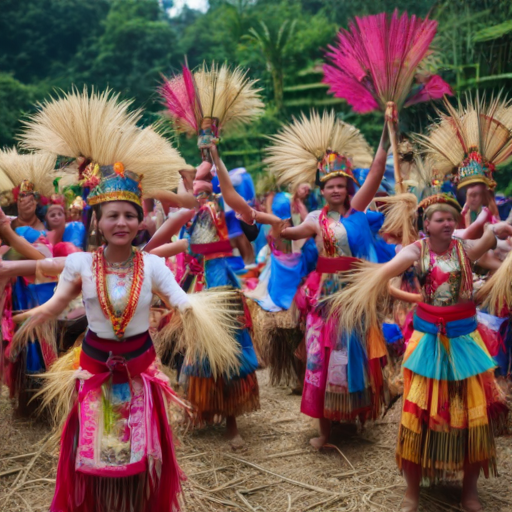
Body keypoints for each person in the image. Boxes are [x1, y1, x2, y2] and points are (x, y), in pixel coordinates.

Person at [328, 194, 511, 512]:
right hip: (428, 343)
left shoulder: (464, 250)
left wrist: (501, 227)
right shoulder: (415, 251)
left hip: (465, 342)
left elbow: (490, 236)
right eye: (440, 219)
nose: (448, 224)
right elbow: (382, 277)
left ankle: (470, 492)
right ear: (426, 224)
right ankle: (412, 492)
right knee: (418, 415)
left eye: (451, 219)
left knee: (471, 415)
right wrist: (412, 299)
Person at [264, 108, 394, 448]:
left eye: (341, 185)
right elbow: (288, 233)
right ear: (323, 189)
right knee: (320, 359)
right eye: (330, 186)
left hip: (354, 296)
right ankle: (325, 431)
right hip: (324, 300)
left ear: (349, 187)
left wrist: (387, 129)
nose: (336, 190)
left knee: (353, 355)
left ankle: (352, 416)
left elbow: (378, 171)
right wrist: (274, 226)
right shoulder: (315, 220)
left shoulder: (358, 210)